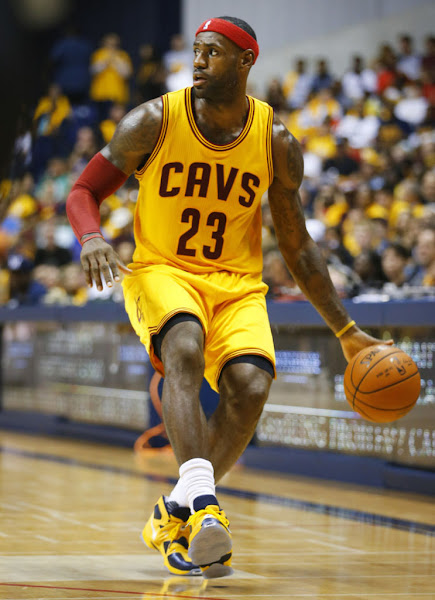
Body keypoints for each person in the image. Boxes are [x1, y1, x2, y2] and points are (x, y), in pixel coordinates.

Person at [66, 15, 387, 579]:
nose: (197, 61)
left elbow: (298, 246)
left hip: (236, 285)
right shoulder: (154, 120)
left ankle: (176, 513)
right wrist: (92, 236)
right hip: (162, 270)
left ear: (245, 61)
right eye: (195, 51)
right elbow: (83, 190)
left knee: (252, 386)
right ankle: (205, 504)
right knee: (183, 347)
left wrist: (346, 329)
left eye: (211, 52)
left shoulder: (276, 141)